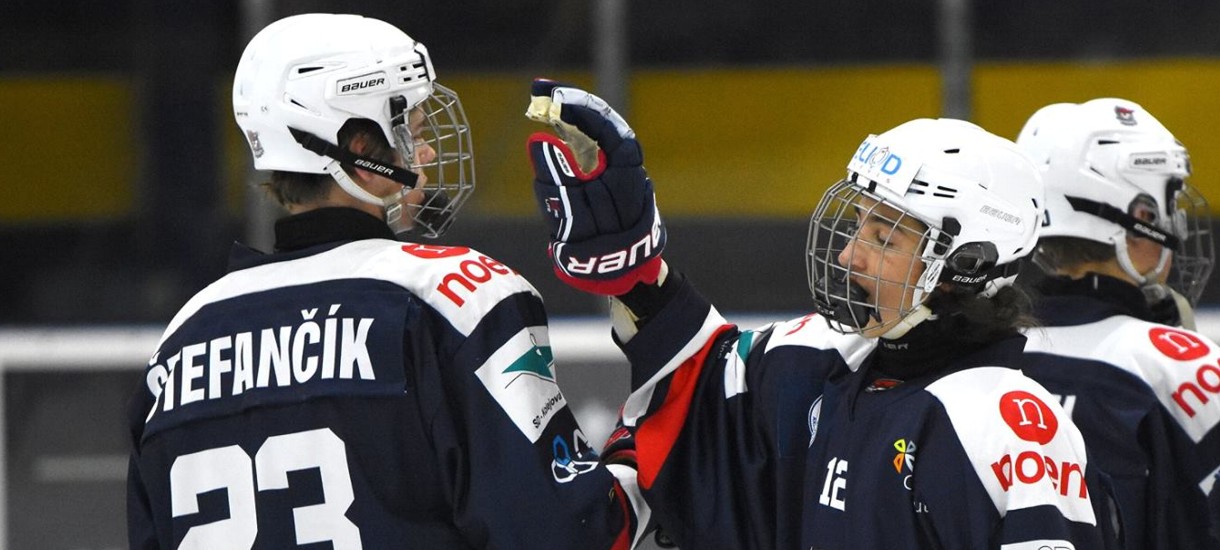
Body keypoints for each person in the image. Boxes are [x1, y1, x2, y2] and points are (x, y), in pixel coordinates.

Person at [524, 79, 1117, 549]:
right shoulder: (824, 356)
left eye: (884, 238)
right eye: (859, 224)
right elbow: (702, 399)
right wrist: (637, 276)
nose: (848, 254)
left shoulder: (1007, 426)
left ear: (966, 265)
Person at [126, 15, 644, 549]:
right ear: (361, 155)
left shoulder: (179, 346)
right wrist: (650, 312)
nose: (427, 153)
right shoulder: (455, 298)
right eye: (413, 133)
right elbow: (576, 535)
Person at [1014, 97, 1220, 548]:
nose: (1176, 220)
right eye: (1167, 201)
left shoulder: (981, 356)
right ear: (1140, 217)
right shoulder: (1181, 368)